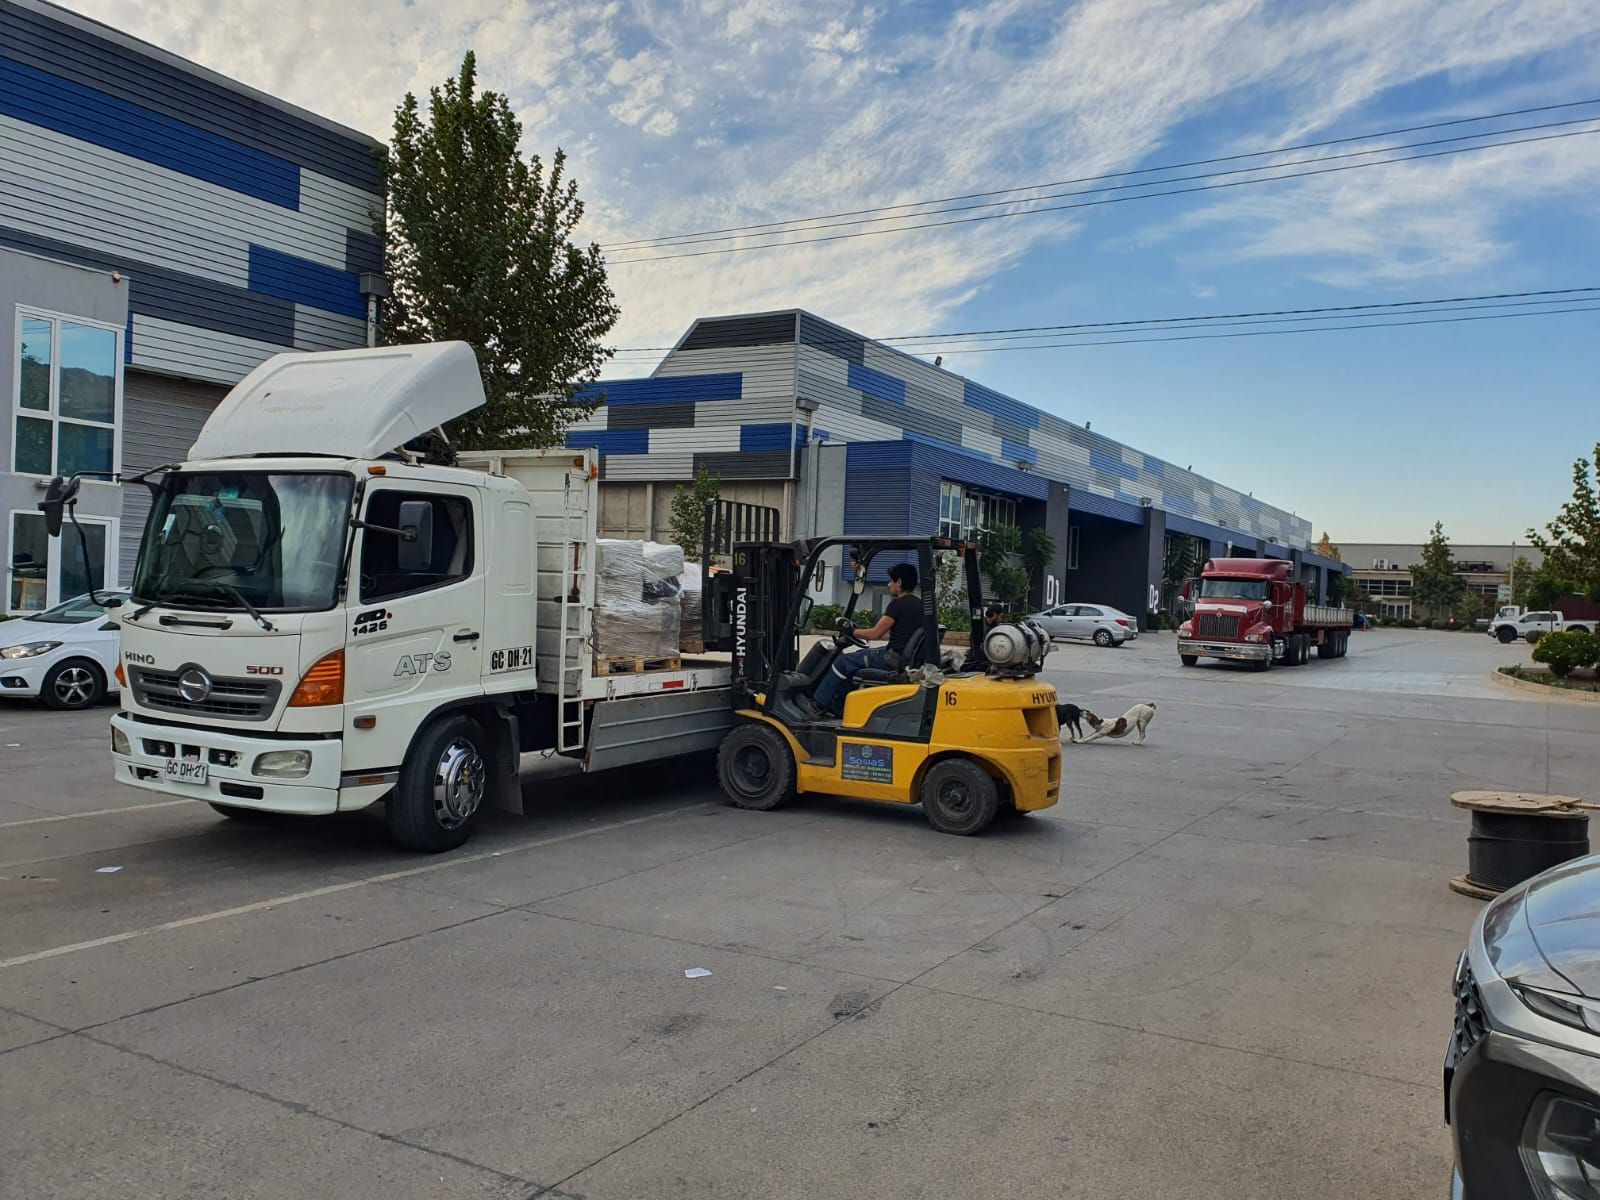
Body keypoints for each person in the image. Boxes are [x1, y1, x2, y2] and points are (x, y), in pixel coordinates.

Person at [808, 563, 923, 716]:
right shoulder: (920, 604)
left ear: (899, 582)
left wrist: (853, 631)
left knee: (843, 661)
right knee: (857, 658)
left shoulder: (898, 605)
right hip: (906, 656)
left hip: (892, 658)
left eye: (891, 581)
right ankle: (839, 706)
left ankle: (818, 704)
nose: (889, 585)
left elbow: (875, 634)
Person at [961, 604, 1006, 672]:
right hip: (981, 664)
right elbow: (982, 650)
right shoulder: (981, 629)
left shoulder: (991, 627)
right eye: (1001, 616)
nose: (1001, 620)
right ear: (994, 615)